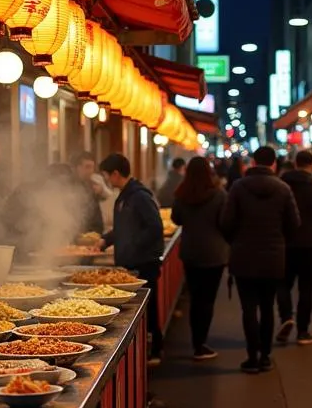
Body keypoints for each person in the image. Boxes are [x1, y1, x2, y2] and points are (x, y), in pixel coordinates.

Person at [220, 146, 300, 374]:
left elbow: (226, 223)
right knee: (267, 307)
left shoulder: (238, 187)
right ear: (274, 163)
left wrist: (236, 242)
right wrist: (279, 241)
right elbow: (294, 224)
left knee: (248, 309)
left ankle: (252, 357)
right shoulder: (283, 189)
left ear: (253, 162)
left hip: (243, 257)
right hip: (273, 258)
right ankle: (265, 356)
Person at [98, 153, 165, 363]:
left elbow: (155, 227)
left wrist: (133, 245)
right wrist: (106, 240)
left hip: (144, 263)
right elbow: (123, 228)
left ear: (116, 174)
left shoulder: (138, 196)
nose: (107, 180)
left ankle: (155, 350)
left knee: (148, 308)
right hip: (132, 261)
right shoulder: (126, 195)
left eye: (106, 176)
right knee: (141, 311)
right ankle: (146, 350)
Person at [171, 157, 228, 361]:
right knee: (208, 299)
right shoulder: (219, 195)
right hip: (214, 253)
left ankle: (197, 341)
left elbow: (176, 218)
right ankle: (201, 343)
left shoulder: (182, 194)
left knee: (196, 297)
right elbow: (226, 222)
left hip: (190, 252)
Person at [276, 150, 312, 345]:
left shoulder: (281, 187)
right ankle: (302, 331)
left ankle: (286, 318)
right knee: (306, 288)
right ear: (311, 165)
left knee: (283, 283)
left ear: (294, 163)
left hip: (286, 243)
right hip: (311, 244)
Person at [71, 150, 105, 236]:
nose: (91, 171)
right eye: (87, 167)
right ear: (78, 167)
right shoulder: (68, 185)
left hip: (92, 235)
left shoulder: (92, 186)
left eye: (92, 167)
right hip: (74, 235)